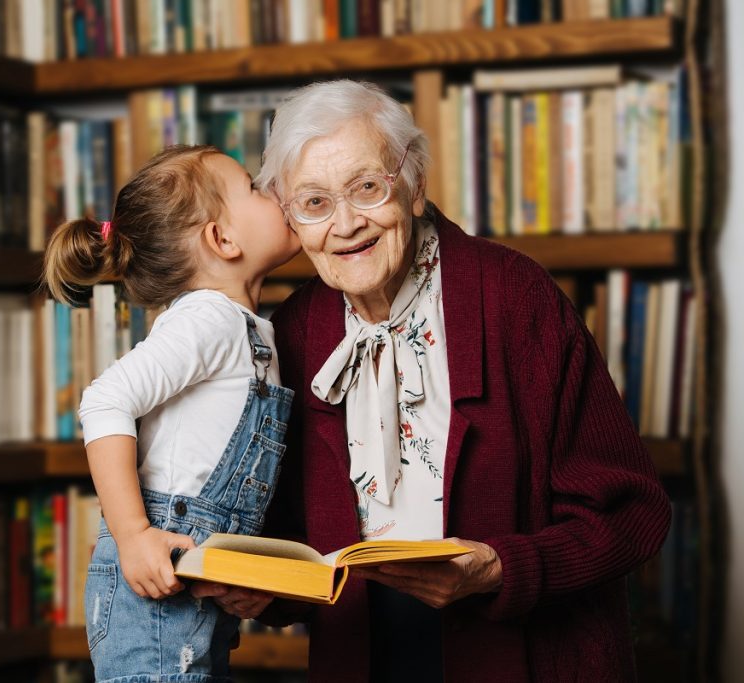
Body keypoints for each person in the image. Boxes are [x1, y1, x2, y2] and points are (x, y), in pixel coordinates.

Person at [191, 80, 672, 682]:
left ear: (414, 183)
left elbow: (633, 513)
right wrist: (266, 591)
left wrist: (500, 569)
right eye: (314, 203)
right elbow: (293, 538)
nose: (345, 225)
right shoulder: (292, 331)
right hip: (362, 655)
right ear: (289, 215)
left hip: (518, 657)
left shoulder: (517, 298)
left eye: (367, 188)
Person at [42, 144, 300, 682]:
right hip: (155, 578)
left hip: (193, 574)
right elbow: (106, 400)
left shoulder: (244, 326)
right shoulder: (208, 318)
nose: (273, 190)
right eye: (253, 187)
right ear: (222, 239)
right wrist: (135, 534)